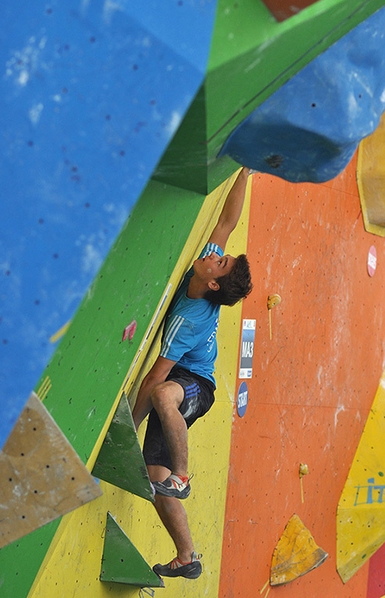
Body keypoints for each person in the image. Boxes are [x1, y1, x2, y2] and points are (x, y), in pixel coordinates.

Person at [132, 166, 253, 580]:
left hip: (196, 386)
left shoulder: (190, 318)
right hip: (183, 380)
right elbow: (226, 220)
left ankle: (183, 476)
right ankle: (187, 556)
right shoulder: (206, 269)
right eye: (221, 255)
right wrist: (246, 171)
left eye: (220, 262)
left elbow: (153, 379)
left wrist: (128, 426)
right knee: (153, 480)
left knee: (163, 394)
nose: (215, 255)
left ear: (215, 283)